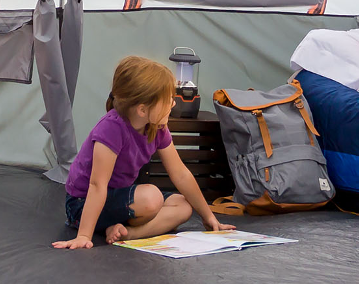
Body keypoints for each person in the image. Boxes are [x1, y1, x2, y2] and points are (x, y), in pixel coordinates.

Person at [53, 54, 235, 249]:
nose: (173, 104)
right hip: (82, 204)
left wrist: (208, 217)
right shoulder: (111, 129)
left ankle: (128, 233)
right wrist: (83, 235)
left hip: (121, 200)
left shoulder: (157, 128)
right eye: (168, 100)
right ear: (142, 110)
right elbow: (97, 185)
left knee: (183, 205)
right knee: (151, 198)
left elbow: (181, 174)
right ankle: (101, 226)